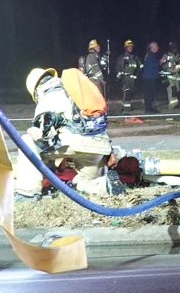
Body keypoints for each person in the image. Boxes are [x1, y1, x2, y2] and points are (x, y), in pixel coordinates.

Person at [14, 68, 123, 199]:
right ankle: (105, 185)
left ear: (37, 90)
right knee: (83, 182)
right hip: (99, 150)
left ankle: (27, 193)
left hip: (75, 146)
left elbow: (40, 133)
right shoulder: (76, 92)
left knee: (27, 141)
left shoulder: (49, 97)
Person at [160, 41, 180, 109]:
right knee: (171, 89)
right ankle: (173, 106)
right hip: (169, 75)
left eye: (175, 47)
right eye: (172, 47)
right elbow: (161, 64)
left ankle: (176, 104)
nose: (174, 48)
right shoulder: (166, 55)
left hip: (177, 76)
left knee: (177, 90)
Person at [116, 39, 141, 112]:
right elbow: (118, 68)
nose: (131, 48)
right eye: (129, 46)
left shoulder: (134, 57)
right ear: (126, 48)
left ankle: (126, 108)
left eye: (131, 46)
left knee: (131, 94)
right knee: (127, 93)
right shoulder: (122, 57)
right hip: (125, 78)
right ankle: (126, 110)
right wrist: (120, 77)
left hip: (132, 79)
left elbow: (139, 66)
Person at [142, 42, 162, 113]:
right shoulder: (150, 55)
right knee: (150, 93)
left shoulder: (150, 55)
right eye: (156, 46)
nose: (157, 47)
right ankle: (148, 109)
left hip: (150, 77)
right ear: (152, 47)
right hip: (150, 77)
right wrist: (160, 62)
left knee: (150, 93)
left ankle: (149, 108)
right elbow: (152, 65)